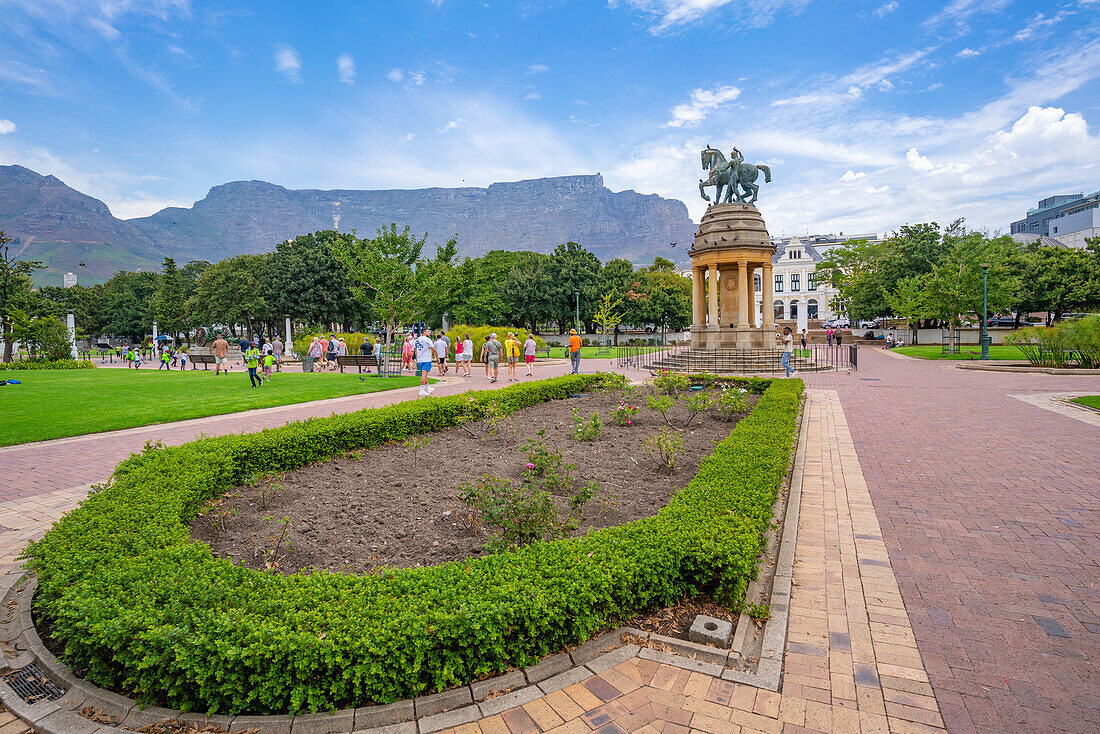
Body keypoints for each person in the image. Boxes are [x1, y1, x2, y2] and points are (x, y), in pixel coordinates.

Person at [414, 329, 436, 396]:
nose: (429, 332)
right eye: (428, 331)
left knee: (425, 375)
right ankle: (421, 390)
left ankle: (428, 387)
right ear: (424, 332)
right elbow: (433, 349)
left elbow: (415, 349)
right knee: (424, 375)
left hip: (420, 360)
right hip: (426, 360)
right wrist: (437, 357)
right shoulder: (427, 339)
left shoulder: (417, 340)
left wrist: (417, 358)